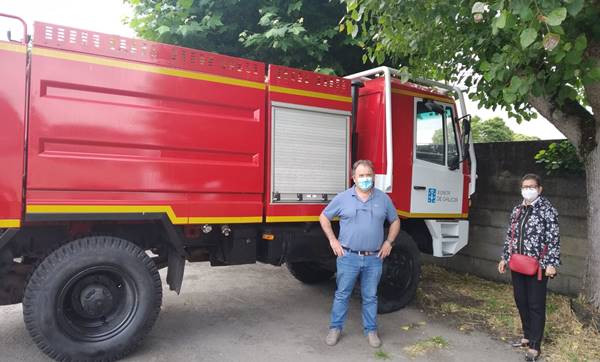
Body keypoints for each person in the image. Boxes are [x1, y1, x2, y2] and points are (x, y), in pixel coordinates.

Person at [319, 159, 400, 348]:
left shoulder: (383, 199)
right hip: (348, 257)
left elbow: (395, 221)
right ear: (354, 178)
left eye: (369, 175)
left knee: (370, 296)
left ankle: (371, 331)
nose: (365, 179)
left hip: (374, 258)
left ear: (373, 177)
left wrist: (389, 241)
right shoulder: (343, 198)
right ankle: (335, 328)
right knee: (342, 294)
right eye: (361, 175)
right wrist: (333, 240)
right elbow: (324, 217)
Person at [498, 173, 560, 361]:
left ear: (539, 189)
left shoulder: (547, 210)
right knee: (520, 300)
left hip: (538, 266)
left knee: (535, 304)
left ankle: (535, 345)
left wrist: (551, 263)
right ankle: (527, 335)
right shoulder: (517, 210)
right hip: (518, 263)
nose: (528, 190)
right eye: (525, 187)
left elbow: (553, 238)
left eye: (532, 186)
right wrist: (504, 258)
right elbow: (510, 236)